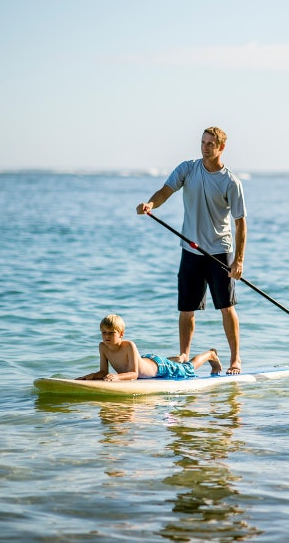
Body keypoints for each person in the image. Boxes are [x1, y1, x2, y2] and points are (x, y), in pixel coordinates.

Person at [137, 127, 247, 375]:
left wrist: (238, 260)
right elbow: (166, 191)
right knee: (186, 309)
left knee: (226, 307)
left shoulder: (231, 181)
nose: (205, 147)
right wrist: (150, 204)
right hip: (190, 250)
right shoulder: (188, 169)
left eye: (210, 144)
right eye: (203, 142)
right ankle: (184, 354)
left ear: (221, 147)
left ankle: (235, 359)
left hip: (219, 252)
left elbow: (240, 223)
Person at [76, 314, 222, 381]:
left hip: (159, 366)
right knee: (179, 363)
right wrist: (92, 376)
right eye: (103, 333)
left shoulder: (129, 345)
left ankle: (210, 354)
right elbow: (103, 371)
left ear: (121, 334)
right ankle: (179, 358)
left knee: (188, 369)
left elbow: (134, 374)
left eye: (111, 333)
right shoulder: (103, 347)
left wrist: (117, 377)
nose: (106, 336)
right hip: (146, 360)